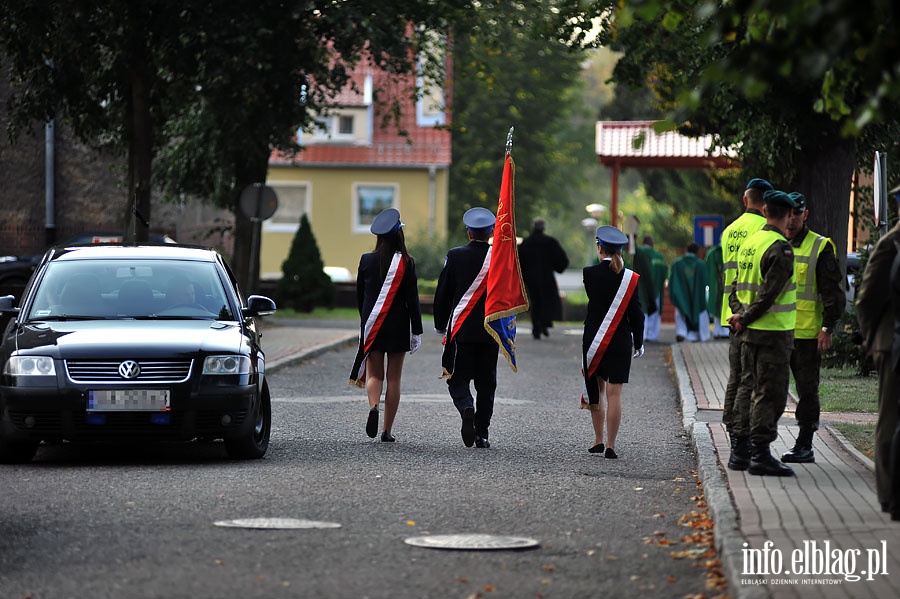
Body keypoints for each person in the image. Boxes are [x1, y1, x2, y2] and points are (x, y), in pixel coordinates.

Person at [727, 189, 799, 477]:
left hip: (747, 335)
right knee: (769, 394)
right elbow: (769, 295)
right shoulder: (780, 248)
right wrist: (745, 318)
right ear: (789, 215)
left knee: (747, 389)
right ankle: (760, 454)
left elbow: (734, 287)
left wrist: (739, 315)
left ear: (765, 211)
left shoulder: (750, 243)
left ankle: (739, 452)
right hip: (772, 335)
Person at [349, 208, 423, 443]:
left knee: (375, 376)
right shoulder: (407, 262)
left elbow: (360, 297)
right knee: (394, 379)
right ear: (399, 235)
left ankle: (373, 406)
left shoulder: (366, 260)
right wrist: (417, 330)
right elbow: (413, 300)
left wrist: (365, 324)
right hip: (399, 326)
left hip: (374, 325)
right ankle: (387, 431)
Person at [781, 192, 845, 464]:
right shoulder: (774, 242)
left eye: (798, 213)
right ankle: (760, 442)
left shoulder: (820, 246)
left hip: (807, 335)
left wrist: (828, 327)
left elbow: (833, 293)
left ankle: (805, 443)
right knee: (770, 388)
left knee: (807, 391)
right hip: (777, 331)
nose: (793, 218)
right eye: (789, 213)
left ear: (805, 215)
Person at [433, 207, 498, 448]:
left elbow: (443, 292)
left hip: (462, 329)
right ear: (490, 232)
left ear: (468, 233)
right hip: (491, 331)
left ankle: (466, 407)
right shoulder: (499, 258)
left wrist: (441, 324)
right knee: (486, 384)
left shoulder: (456, 255)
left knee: (457, 379)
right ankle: (482, 434)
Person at [720, 177, 772, 464]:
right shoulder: (763, 231)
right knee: (749, 382)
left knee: (735, 377)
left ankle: (732, 429)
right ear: (766, 206)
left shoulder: (730, 231)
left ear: (744, 199)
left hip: (730, 313)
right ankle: (743, 435)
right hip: (752, 317)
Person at [581, 225, 645, 459]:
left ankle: (597, 439)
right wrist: (639, 341)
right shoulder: (631, 278)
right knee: (614, 393)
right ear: (620, 251)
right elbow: (637, 314)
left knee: (596, 391)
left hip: (594, 338)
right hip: (619, 340)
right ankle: (610, 445)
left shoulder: (589, 273)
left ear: (599, 248)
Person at [857, 185, 900, 517]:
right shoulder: (891, 244)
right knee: (889, 420)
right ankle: (888, 494)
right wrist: (872, 339)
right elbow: (867, 298)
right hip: (890, 342)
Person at [518, 217, 569, 339]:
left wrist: (522, 276)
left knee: (535, 301)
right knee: (546, 300)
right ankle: (545, 323)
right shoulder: (550, 242)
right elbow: (562, 260)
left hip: (531, 279)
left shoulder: (526, 243)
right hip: (546, 277)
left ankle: (536, 326)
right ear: (543, 227)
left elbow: (519, 261)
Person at [669, 241, 710, 342]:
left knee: (680, 311)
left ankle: (681, 332)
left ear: (686, 250)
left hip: (681, 295)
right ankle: (697, 335)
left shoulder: (677, 264)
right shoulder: (701, 265)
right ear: (697, 251)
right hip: (697, 296)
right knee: (699, 312)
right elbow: (706, 282)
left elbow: (672, 281)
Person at [632, 235, 666, 342]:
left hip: (641, 287)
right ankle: (653, 335)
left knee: (642, 310)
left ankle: (643, 334)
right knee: (654, 311)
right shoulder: (659, 256)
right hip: (656, 289)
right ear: (652, 243)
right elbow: (664, 273)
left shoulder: (638, 254)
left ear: (643, 242)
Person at [705, 243, 730, 338]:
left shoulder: (713, 253)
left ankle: (721, 331)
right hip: (718, 286)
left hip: (722, 286)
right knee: (717, 306)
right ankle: (719, 331)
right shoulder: (713, 253)